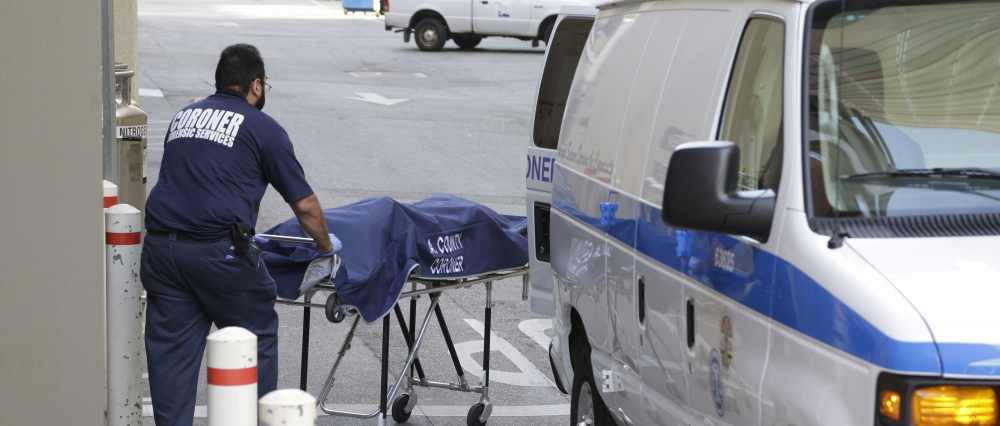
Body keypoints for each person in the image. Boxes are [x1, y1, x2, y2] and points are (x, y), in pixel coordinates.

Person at [141, 43, 335, 426]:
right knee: (254, 338)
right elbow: (306, 206)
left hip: (162, 253)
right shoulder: (264, 129)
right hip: (219, 256)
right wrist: (327, 248)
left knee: (171, 357)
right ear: (257, 85)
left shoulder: (184, 116)